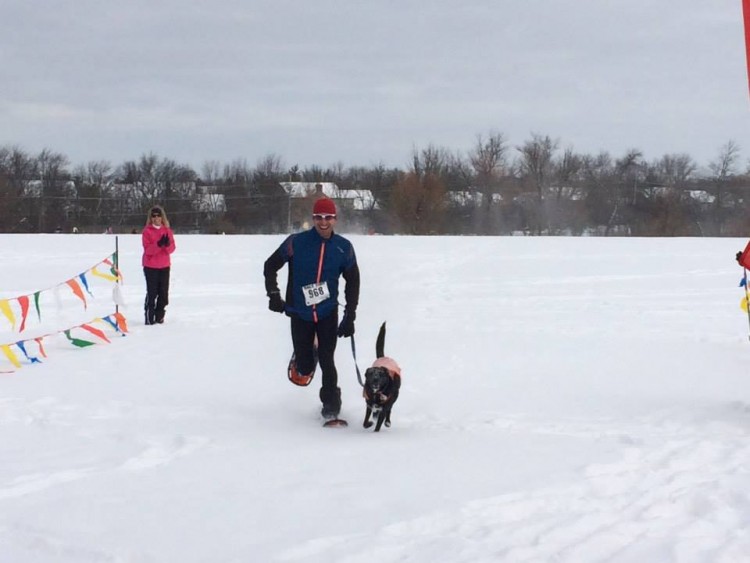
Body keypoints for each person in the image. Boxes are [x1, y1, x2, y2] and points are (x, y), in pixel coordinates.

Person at [263, 197, 360, 420]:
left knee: (328, 360)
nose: (323, 222)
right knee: (305, 368)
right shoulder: (296, 243)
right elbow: (270, 266)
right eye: (318, 217)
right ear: (313, 219)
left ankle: (331, 407)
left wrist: (350, 315)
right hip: (300, 313)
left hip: (327, 312)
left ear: (335, 219)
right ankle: (307, 356)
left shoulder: (343, 248)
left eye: (328, 218)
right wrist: (274, 295)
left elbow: (353, 281)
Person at [142, 205, 176, 325]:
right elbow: (148, 251)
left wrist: (166, 246)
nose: (156, 218)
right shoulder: (147, 231)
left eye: (158, 216)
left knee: (163, 294)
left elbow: (172, 248)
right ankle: (149, 316)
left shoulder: (167, 231)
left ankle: (159, 316)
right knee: (152, 293)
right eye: (153, 216)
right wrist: (158, 245)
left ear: (162, 217)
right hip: (151, 266)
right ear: (150, 218)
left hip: (164, 266)